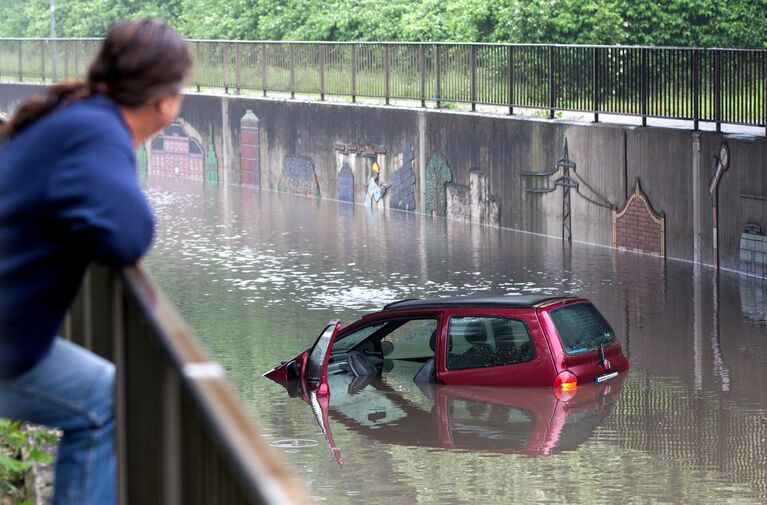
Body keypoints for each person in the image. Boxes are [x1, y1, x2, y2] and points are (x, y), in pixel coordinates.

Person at [0, 19, 191, 504]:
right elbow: (128, 235)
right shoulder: (97, 132)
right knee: (101, 403)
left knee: (101, 390)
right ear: (165, 100)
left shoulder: (76, 114)